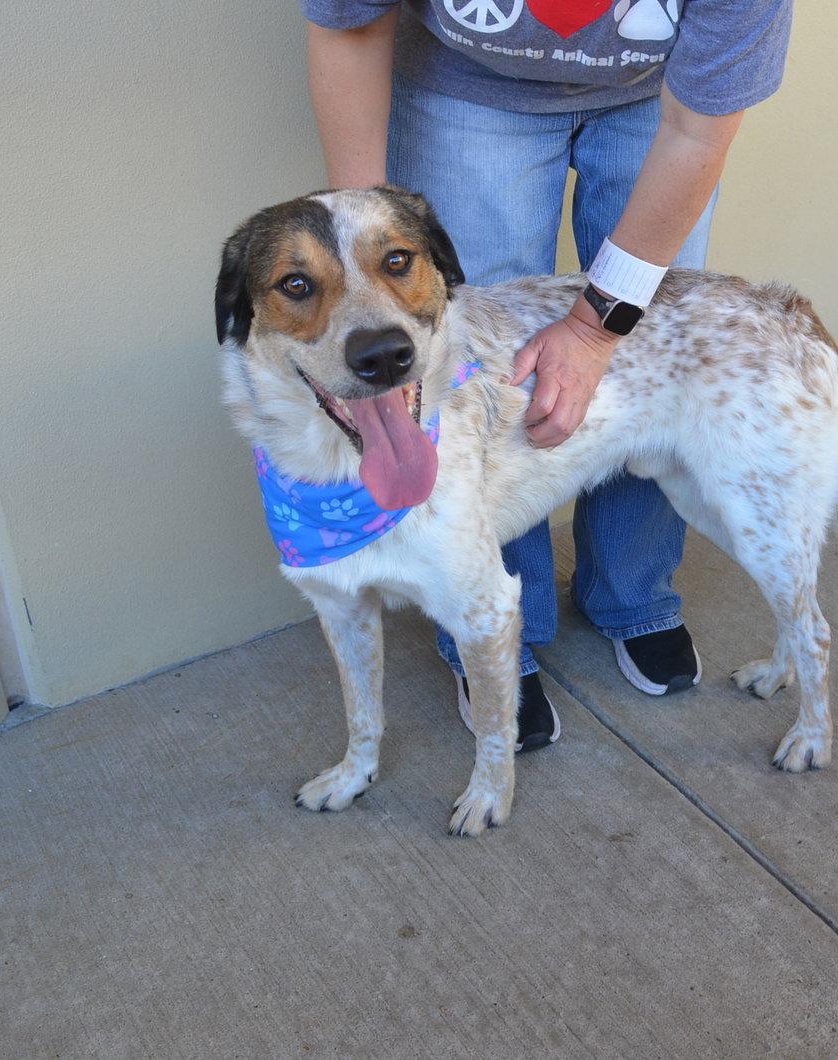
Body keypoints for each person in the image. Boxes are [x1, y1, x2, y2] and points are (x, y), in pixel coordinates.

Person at [303, 0, 794, 751]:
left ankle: (635, 596)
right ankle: (497, 632)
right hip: (465, 85)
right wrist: (366, 243)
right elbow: (350, 25)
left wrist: (597, 328)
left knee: (644, 342)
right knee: (473, 365)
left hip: (659, 95)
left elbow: (699, 127)